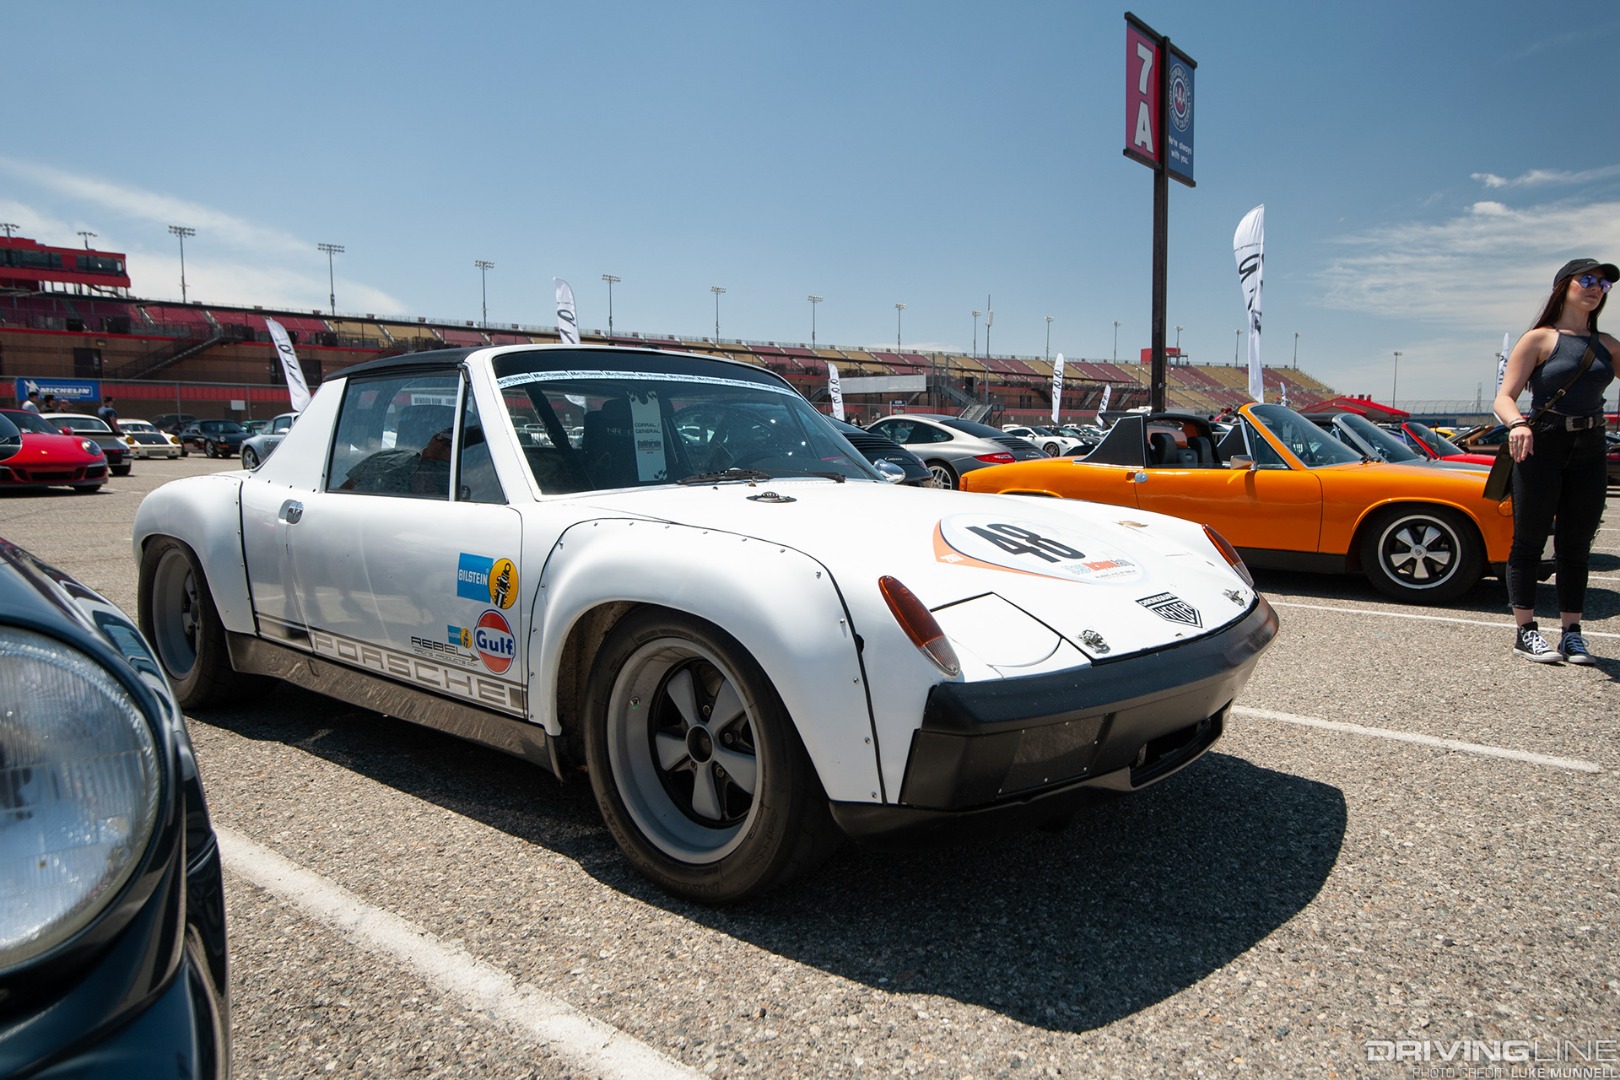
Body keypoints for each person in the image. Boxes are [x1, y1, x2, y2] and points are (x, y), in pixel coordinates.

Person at [1492, 257, 1617, 664]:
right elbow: (1504, 397)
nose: (1596, 288)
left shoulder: (1608, 345)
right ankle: (1525, 631)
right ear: (1564, 286)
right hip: (1542, 443)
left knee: (1576, 544)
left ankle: (1571, 633)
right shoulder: (1540, 339)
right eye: (1588, 279)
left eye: (1603, 284)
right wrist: (1516, 424)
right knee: (1529, 540)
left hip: (1591, 446)